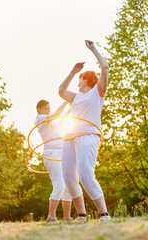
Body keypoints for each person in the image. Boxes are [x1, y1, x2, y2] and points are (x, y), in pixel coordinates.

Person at [58, 40, 111, 222]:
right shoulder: (76, 97)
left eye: (79, 78)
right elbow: (61, 91)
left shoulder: (97, 92)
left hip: (88, 136)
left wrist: (93, 49)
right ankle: (82, 214)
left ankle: (104, 213)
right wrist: (73, 72)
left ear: (86, 79)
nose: (78, 82)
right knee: (68, 176)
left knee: (85, 173)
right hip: (69, 138)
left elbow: (105, 68)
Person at [34, 100, 72, 222]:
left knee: (68, 185)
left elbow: (60, 120)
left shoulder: (50, 121)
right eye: (46, 108)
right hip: (51, 153)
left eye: (49, 108)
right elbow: (56, 114)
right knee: (59, 185)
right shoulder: (41, 118)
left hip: (62, 153)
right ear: (39, 109)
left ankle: (67, 218)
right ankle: (51, 217)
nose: (48, 111)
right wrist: (66, 101)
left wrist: (71, 109)